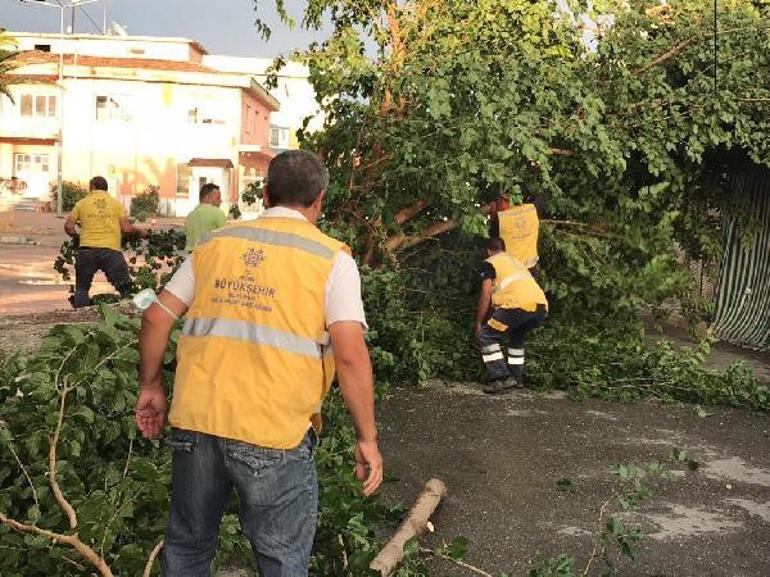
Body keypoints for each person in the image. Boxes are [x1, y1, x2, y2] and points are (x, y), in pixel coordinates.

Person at [135, 150, 383, 577]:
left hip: (197, 422)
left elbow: (156, 316)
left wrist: (151, 385)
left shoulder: (217, 243)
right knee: (281, 559)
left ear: (266, 193)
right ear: (319, 199)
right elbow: (349, 353)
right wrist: (368, 438)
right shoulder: (331, 260)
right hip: (274, 433)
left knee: (189, 548)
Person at [475, 237, 548, 394]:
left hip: (516, 306)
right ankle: (516, 379)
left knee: (486, 336)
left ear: (488, 251)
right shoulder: (516, 262)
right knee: (516, 337)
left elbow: (485, 296)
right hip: (540, 308)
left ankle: (499, 377)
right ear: (504, 249)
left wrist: (479, 323)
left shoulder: (490, 262)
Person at [64, 176, 147, 308]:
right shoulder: (116, 204)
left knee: (82, 289)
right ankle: (131, 314)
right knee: (125, 288)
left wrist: (77, 237)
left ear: (92, 187)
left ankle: (79, 318)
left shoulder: (82, 203)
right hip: (111, 252)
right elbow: (126, 228)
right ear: (106, 189)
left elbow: (68, 227)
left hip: (86, 251)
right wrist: (140, 231)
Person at [184, 182, 227, 250]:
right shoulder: (217, 213)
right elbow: (227, 236)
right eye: (218, 198)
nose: (220, 201)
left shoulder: (190, 215)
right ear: (207, 198)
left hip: (189, 256)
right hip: (207, 256)